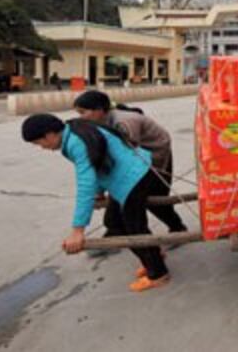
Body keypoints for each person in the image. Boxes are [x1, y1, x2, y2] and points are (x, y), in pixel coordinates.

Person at [21, 113, 170, 292]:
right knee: (114, 223)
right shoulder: (74, 129)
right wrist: (99, 193)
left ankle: (158, 273)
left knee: (132, 228)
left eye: (39, 143)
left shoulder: (76, 143)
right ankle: (154, 256)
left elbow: (86, 182)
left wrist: (78, 230)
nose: (42, 148)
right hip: (131, 175)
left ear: (49, 134)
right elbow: (99, 163)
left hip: (134, 178)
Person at [73, 91, 187, 240]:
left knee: (153, 200)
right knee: (126, 195)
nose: (80, 117)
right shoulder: (100, 122)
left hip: (155, 155)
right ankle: (115, 231)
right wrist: (100, 189)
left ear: (99, 110)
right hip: (136, 156)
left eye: (83, 112)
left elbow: (125, 158)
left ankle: (177, 228)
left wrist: (107, 187)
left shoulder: (123, 123)